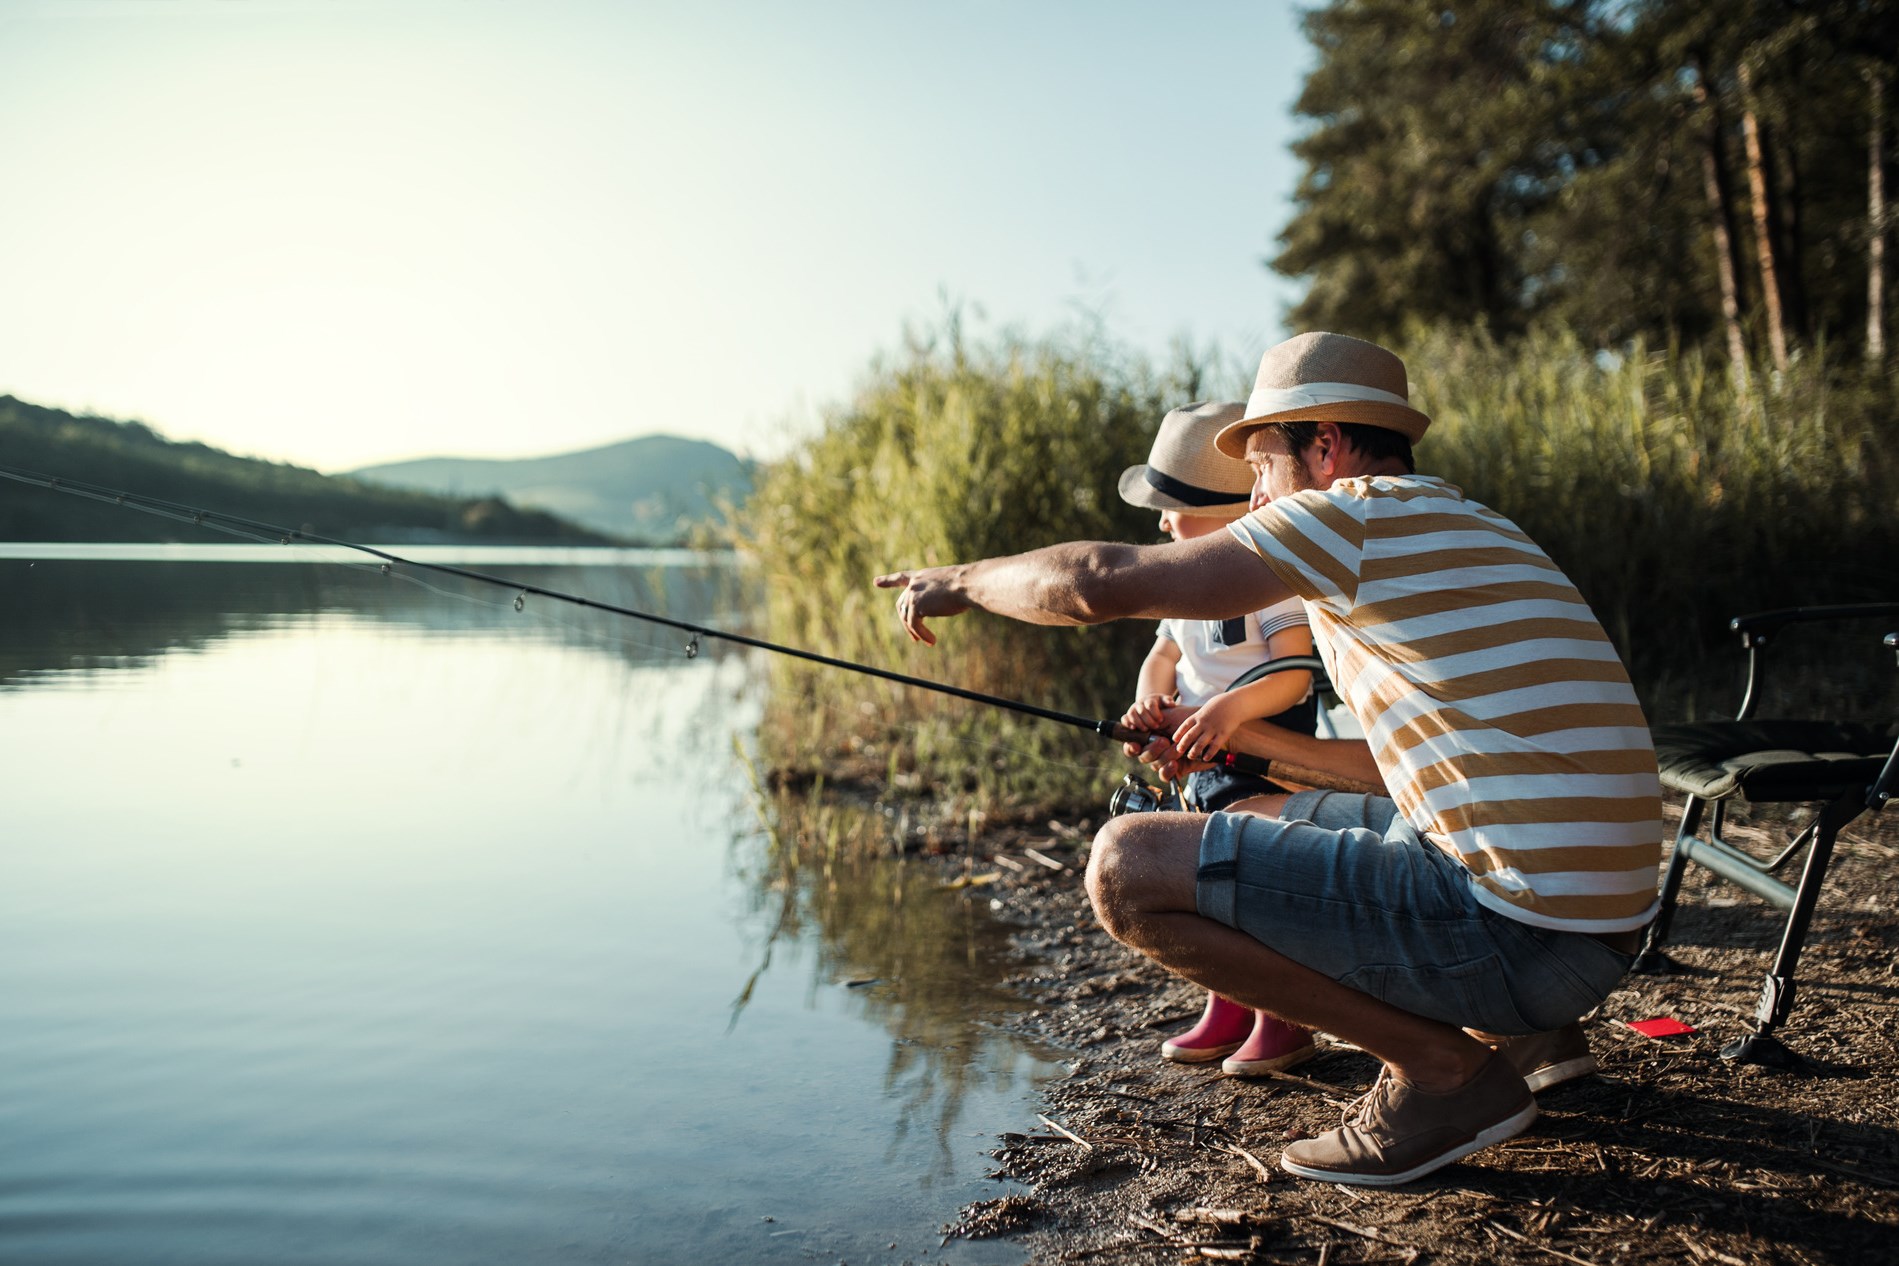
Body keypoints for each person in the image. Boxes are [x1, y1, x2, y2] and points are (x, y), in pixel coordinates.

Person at [875, 331, 1661, 1186]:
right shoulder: (1466, 527)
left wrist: (962, 578)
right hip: (1598, 932)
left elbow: (1099, 581)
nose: (1252, 497)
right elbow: (1396, 773)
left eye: (1259, 466)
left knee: (1127, 865)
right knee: (1262, 810)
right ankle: (1528, 1037)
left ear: (1322, 447)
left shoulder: (1346, 516)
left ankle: (1445, 1078)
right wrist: (1237, 738)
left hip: (1525, 940)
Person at [1114, 399, 1321, 1077]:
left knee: (1250, 876)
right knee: (1203, 875)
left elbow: (1293, 674)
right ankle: (1228, 999)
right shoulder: (1184, 586)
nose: (1162, 520)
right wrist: (1153, 700)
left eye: (1173, 505)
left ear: (1229, 511)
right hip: (1199, 757)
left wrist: (1229, 712)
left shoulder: (1271, 578)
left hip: (1266, 752)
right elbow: (1163, 657)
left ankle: (1280, 1016)